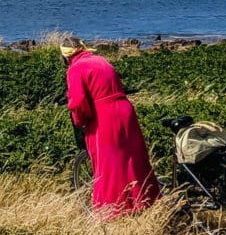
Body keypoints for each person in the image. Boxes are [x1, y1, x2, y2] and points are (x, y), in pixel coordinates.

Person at [60, 35, 159, 215]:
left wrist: (80, 121)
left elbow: (78, 102)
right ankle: (145, 203)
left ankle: (113, 211)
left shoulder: (75, 68)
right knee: (134, 160)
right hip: (125, 110)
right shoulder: (101, 60)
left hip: (104, 115)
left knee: (109, 166)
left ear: (67, 57)